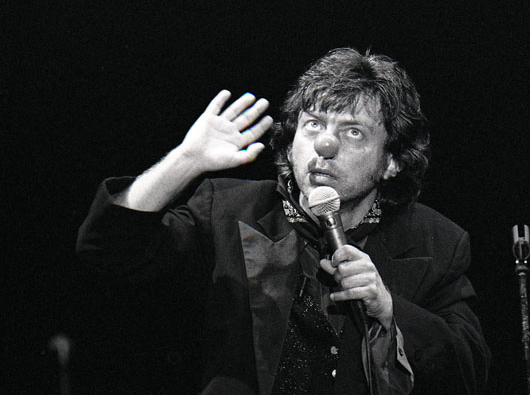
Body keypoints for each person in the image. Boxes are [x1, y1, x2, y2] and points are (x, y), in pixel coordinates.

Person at [77, 48, 490, 395]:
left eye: (353, 132)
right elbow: (107, 249)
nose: (325, 145)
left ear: (392, 162)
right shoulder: (229, 211)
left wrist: (389, 309)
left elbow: (470, 372)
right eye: (313, 125)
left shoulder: (435, 242)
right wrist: (186, 161)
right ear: (291, 143)